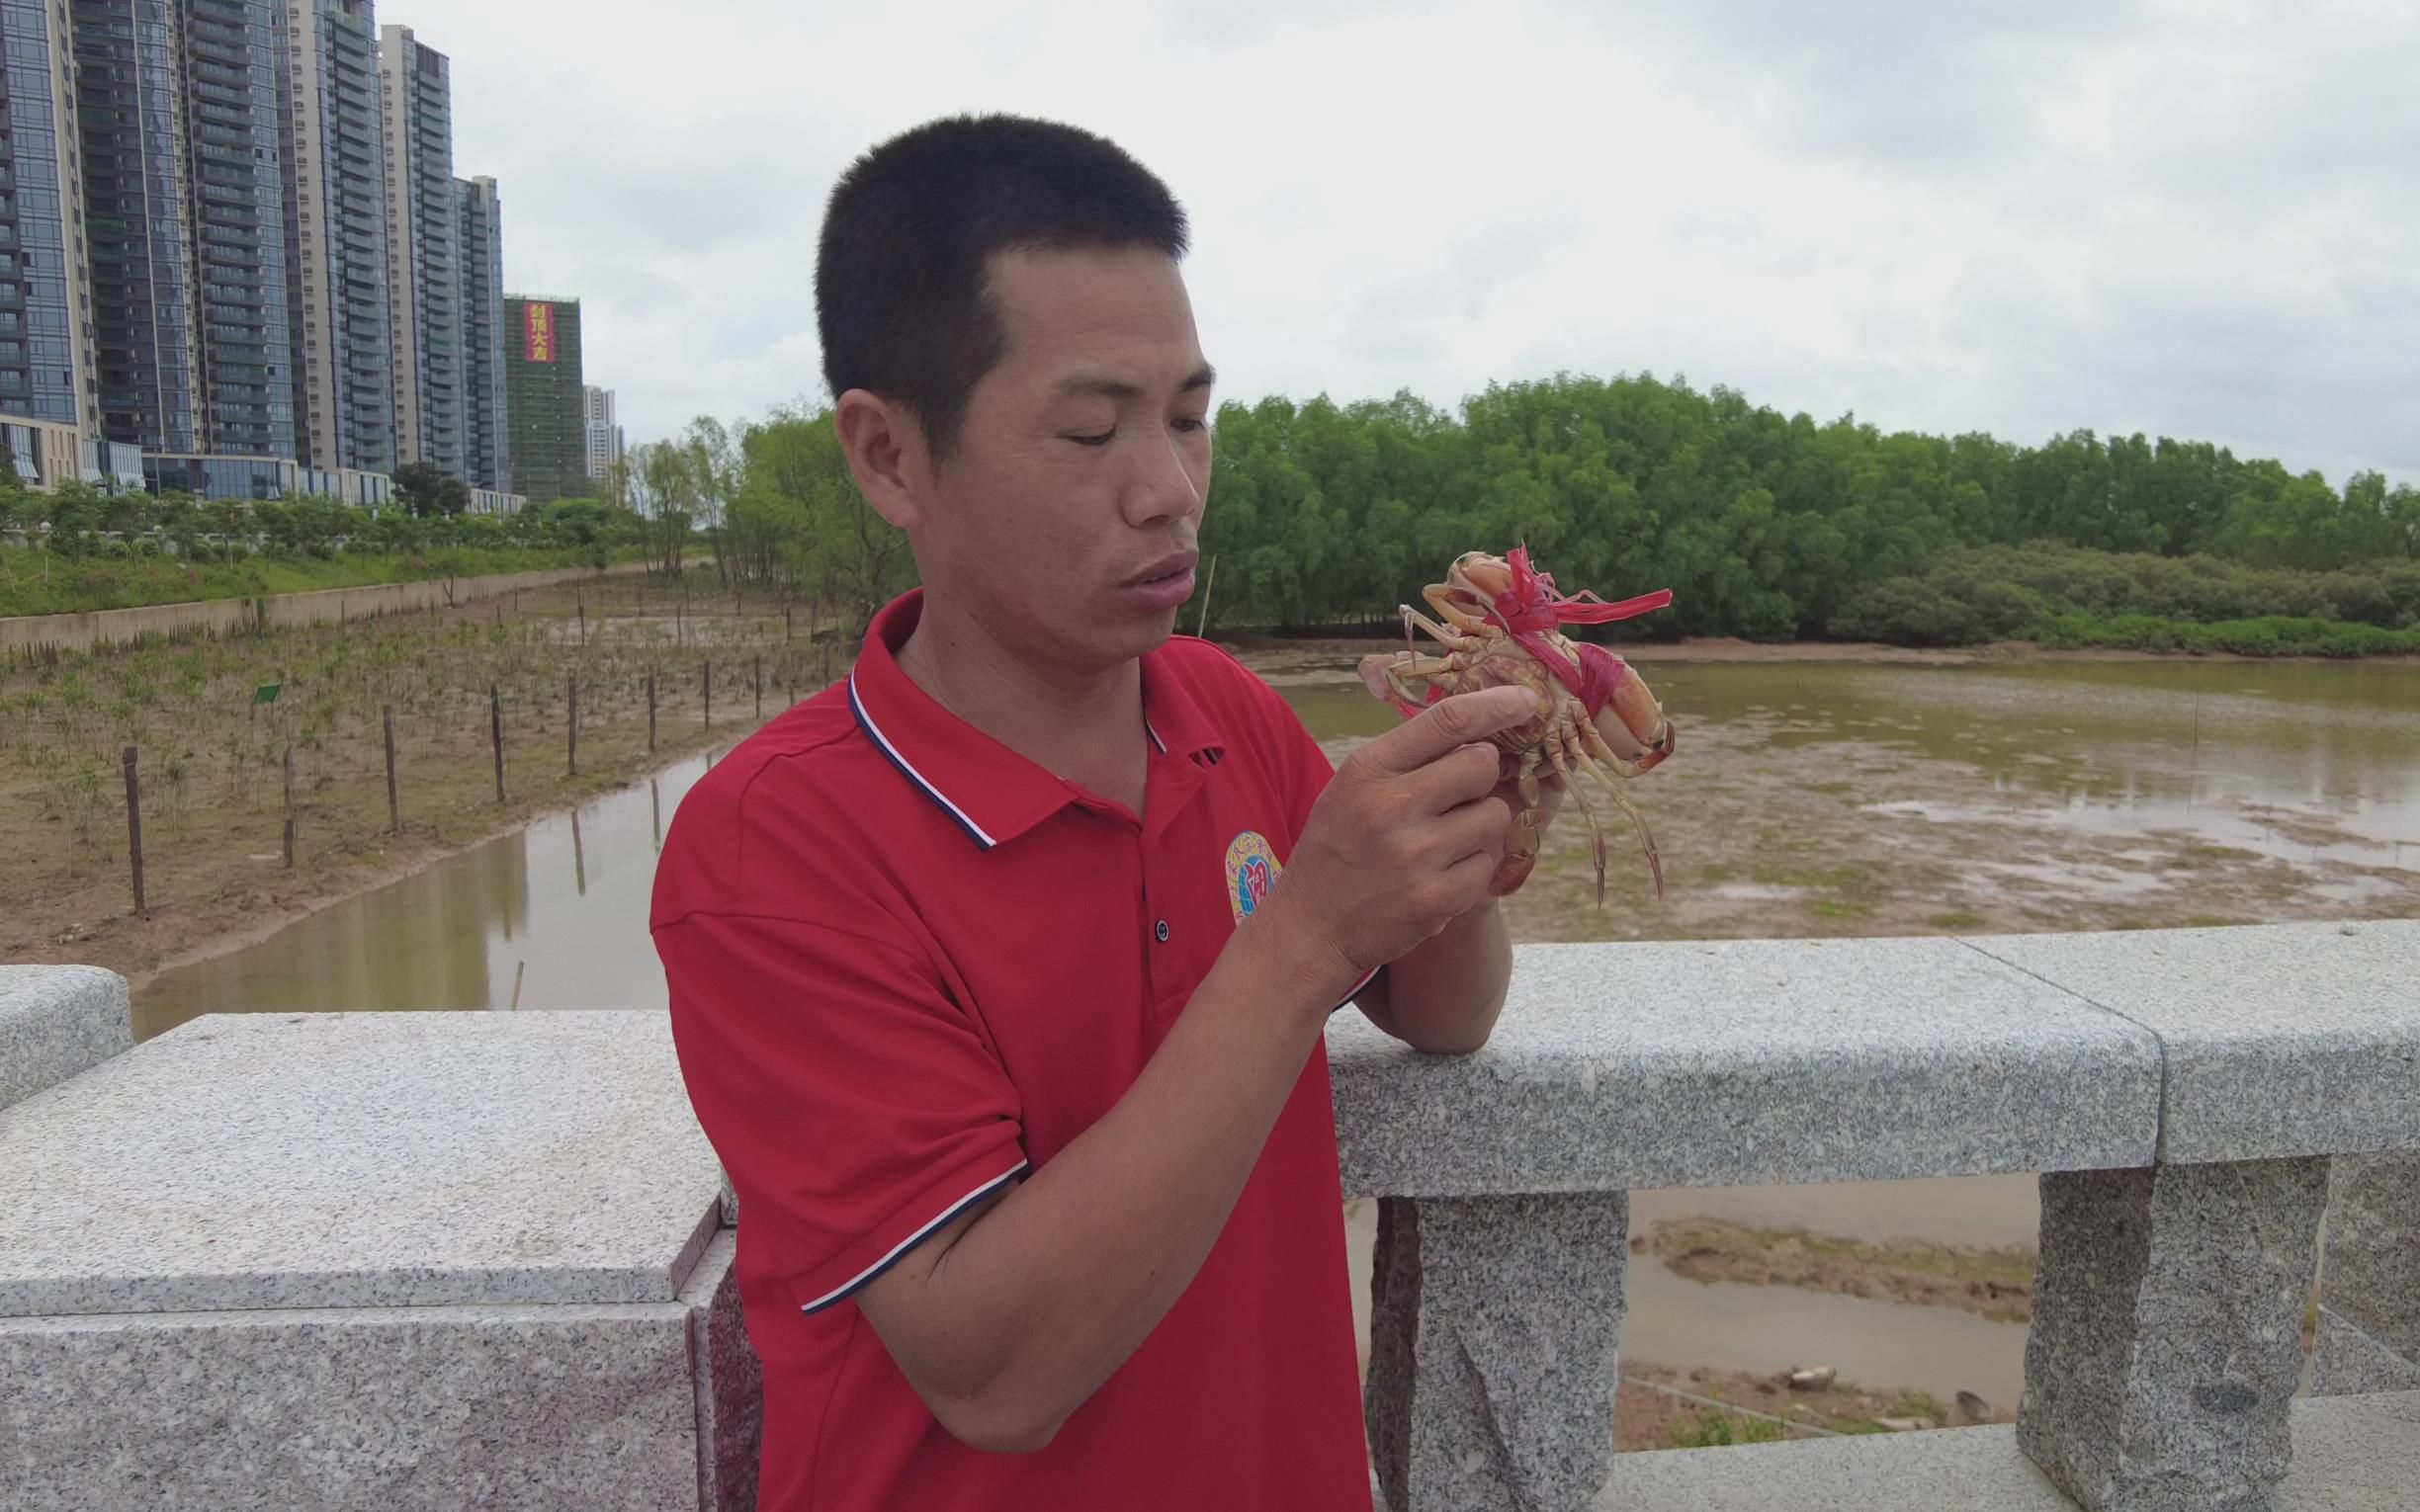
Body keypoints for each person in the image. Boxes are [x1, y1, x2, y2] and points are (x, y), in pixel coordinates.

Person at [649, 112, 1559, 1512]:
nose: (1171, 490)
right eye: (1092, 430)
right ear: (890, 456)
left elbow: (1447, 1012)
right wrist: (1304, 937)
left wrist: (1472, 834)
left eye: (1190, 418)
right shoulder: (774, 846)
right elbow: (992, 1367)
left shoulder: (1223, 710)